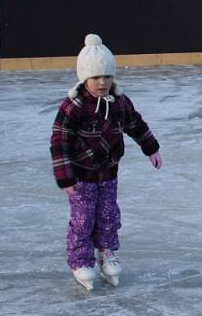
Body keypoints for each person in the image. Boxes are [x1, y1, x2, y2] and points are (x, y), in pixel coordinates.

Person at [50, 34, 162, 290]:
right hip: (80, 176)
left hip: (109, 173)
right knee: (83, 219)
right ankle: (81, 261)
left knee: (108, 216)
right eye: (96, 77)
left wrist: (151, 148)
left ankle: (107, 251)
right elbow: (60, 141)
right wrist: (64, 174)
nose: (102, 82)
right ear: (84, 78)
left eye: (107, 76)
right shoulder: (74, 106)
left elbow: (136, 124)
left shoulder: (120, 102)